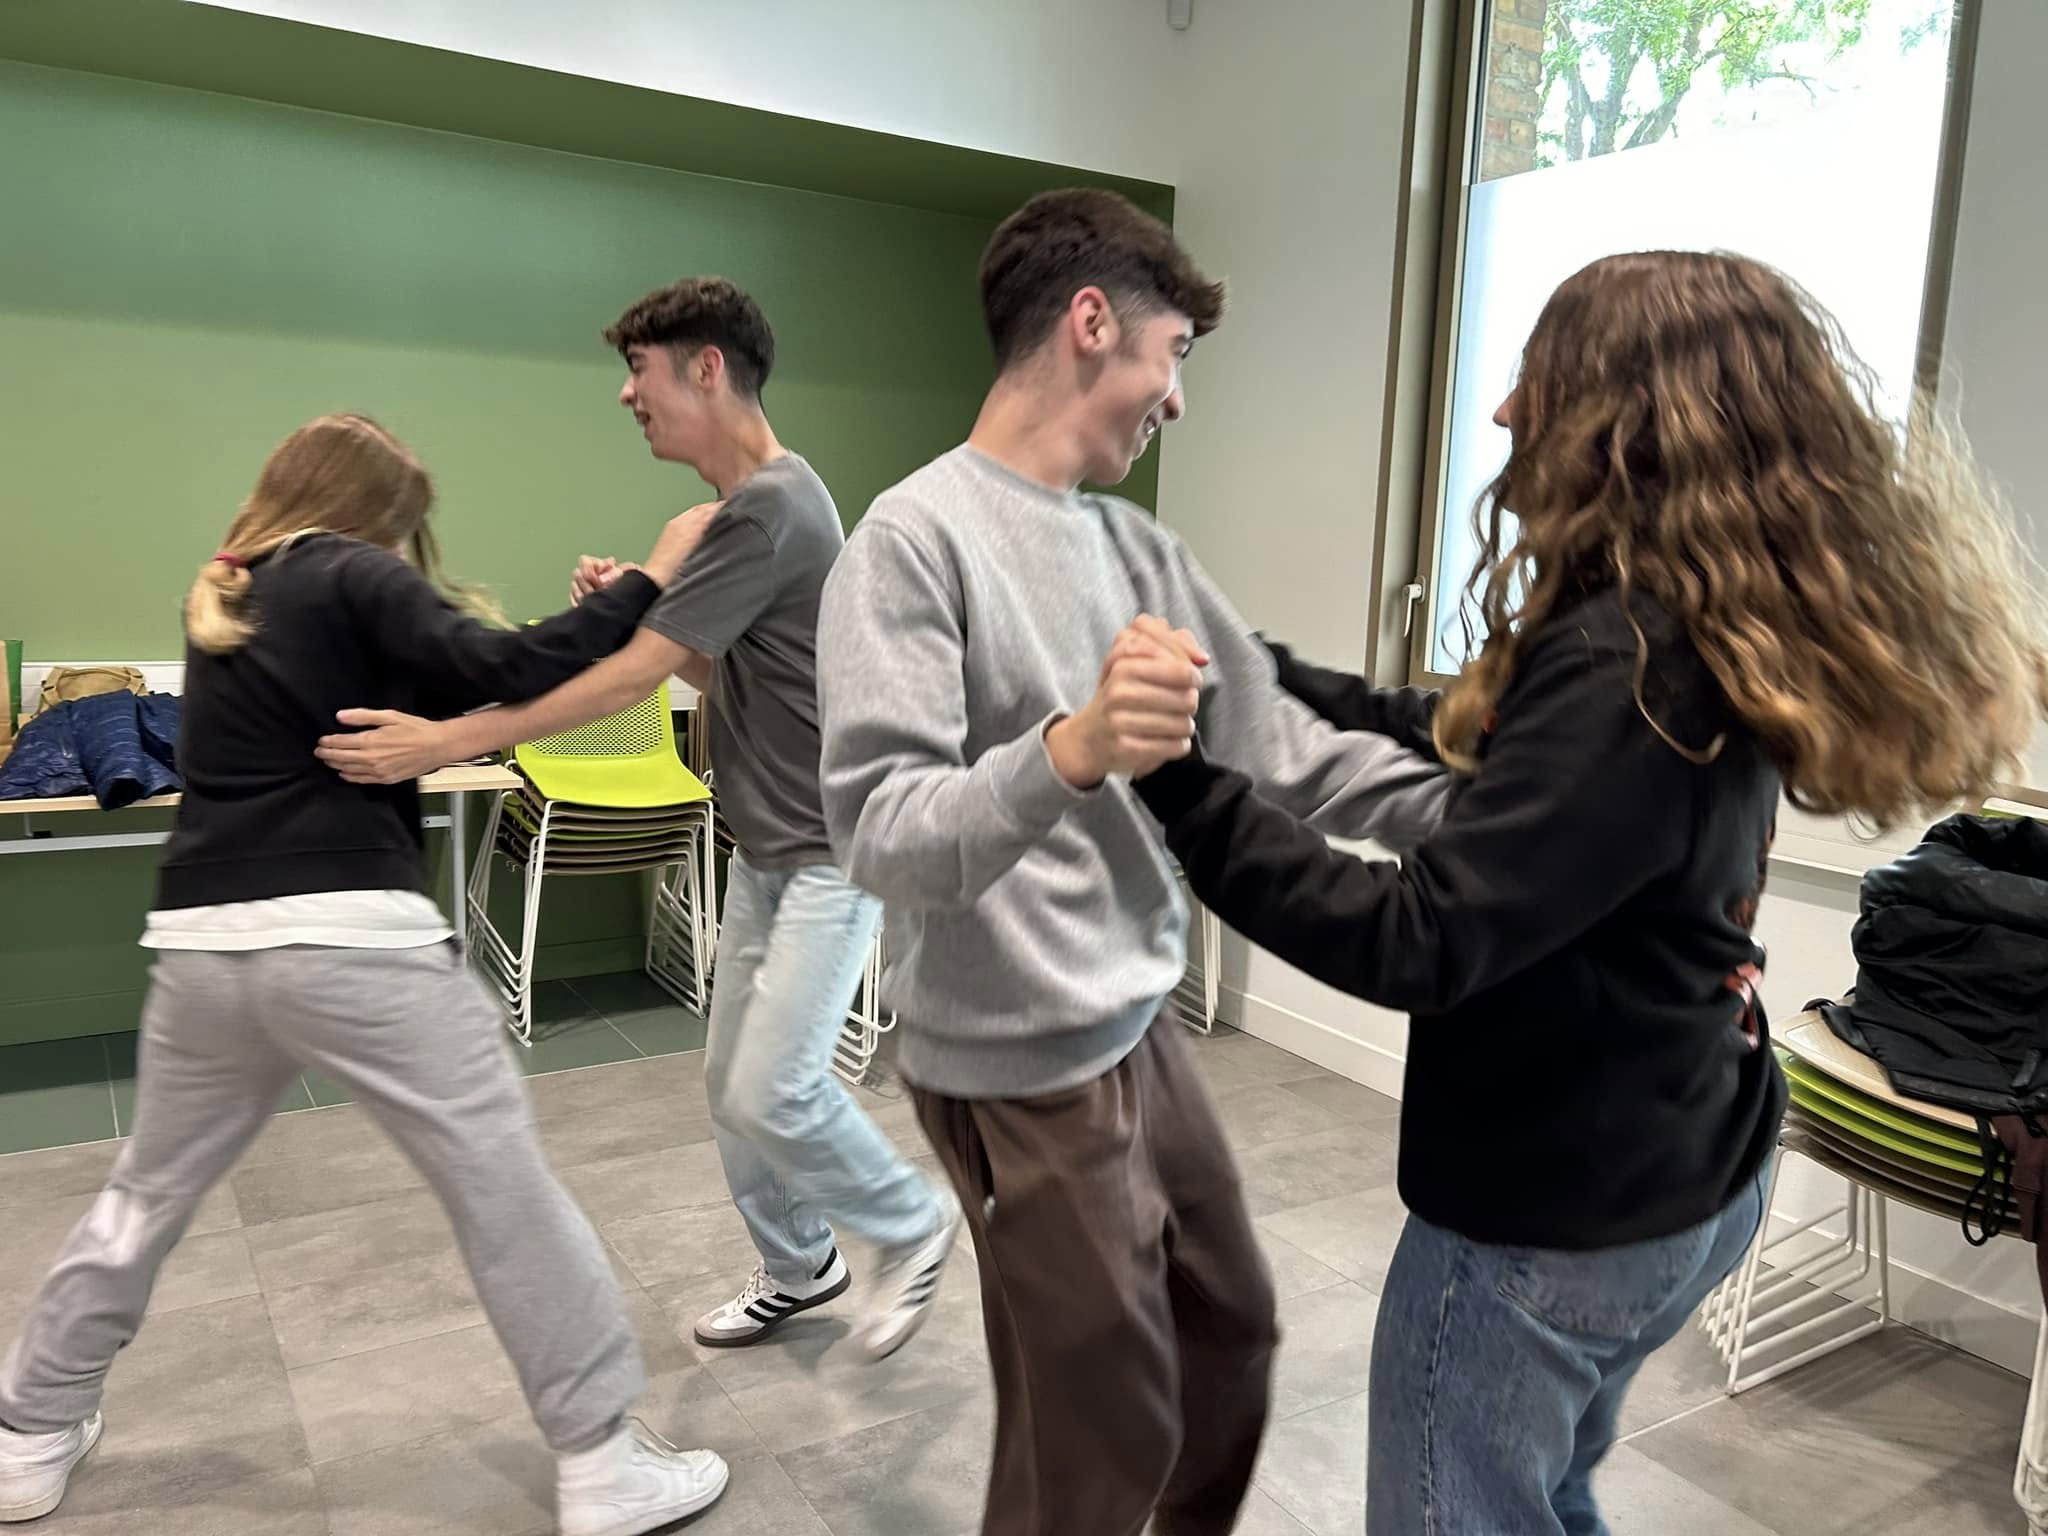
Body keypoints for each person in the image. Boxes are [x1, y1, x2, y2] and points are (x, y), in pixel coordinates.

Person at [1128, 251, 2048, 1536]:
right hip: (1687, 1158)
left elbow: (1416, 939)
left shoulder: (1636, 668)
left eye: (1534, 378)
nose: (1504, 409)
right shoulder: (1687, 631)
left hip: (1555, 1230)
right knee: (1540, 1495)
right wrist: (1256, 672)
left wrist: (1179, 783)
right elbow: (1478, 737)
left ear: (1624, 418)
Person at [813, 188, 1451, 1536]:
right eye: (1175, 354)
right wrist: (1075, 746)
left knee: (1232, 1341)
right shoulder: (909, 543)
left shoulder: (1133, 545)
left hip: (1136, 1025)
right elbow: (881, 832)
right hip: (1008, 1064)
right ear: (1091, 323)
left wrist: (1504, 832)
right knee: (1094, 1436)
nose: (1178, 397)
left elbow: (1285, 746)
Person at [0, 414, 731, 1532]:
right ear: (370, 507)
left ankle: (29, 1432)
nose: (405, 544)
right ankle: (602, 1462)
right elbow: (506, 667)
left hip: (203, 948)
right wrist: (656, 573)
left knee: (144, 1196)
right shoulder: (346, 566)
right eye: (403, 522)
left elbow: (426, 693)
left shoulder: (232, 593)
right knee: (503, 1189)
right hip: (351, 939)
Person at [313, 279, 960, 1362]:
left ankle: (912, 1222)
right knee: (731, 1088)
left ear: (707, 368)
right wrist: (642, 603)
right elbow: (718, 674)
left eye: (640, 371)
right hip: (768, 848)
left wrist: (444, 740)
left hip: (829, 850)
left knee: (774, 1086)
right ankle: (802, 1267)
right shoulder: (758, 510)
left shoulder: (769, 509)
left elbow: (627, 684)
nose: (626, 394)